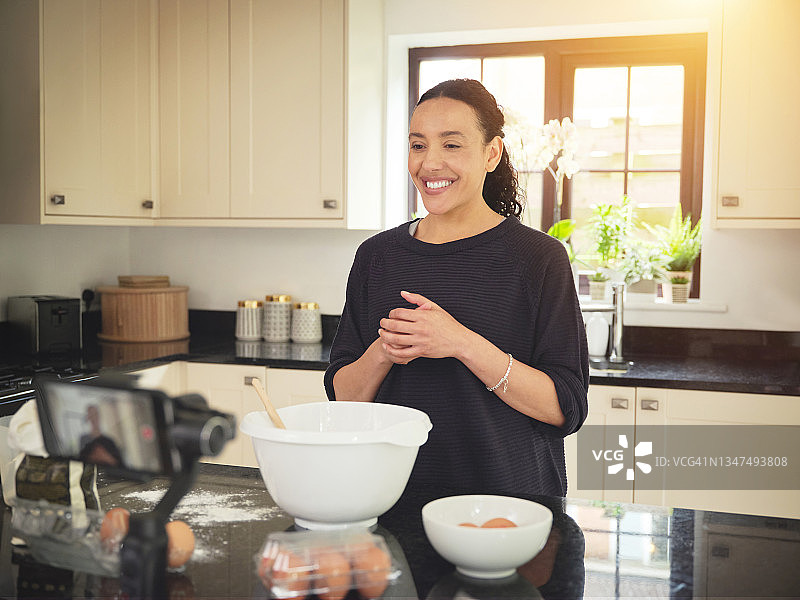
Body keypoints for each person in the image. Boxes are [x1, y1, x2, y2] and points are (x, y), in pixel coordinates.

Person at [324, 79, 588, 497]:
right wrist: (385, 349)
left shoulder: (539, 258)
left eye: (451, 145)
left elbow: (565, 408)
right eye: (417, 145)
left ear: (491, 153)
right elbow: (343, 399)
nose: (430, 163)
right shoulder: (376, 256)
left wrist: (460, 342)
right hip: (391, 500)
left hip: (511, 510)